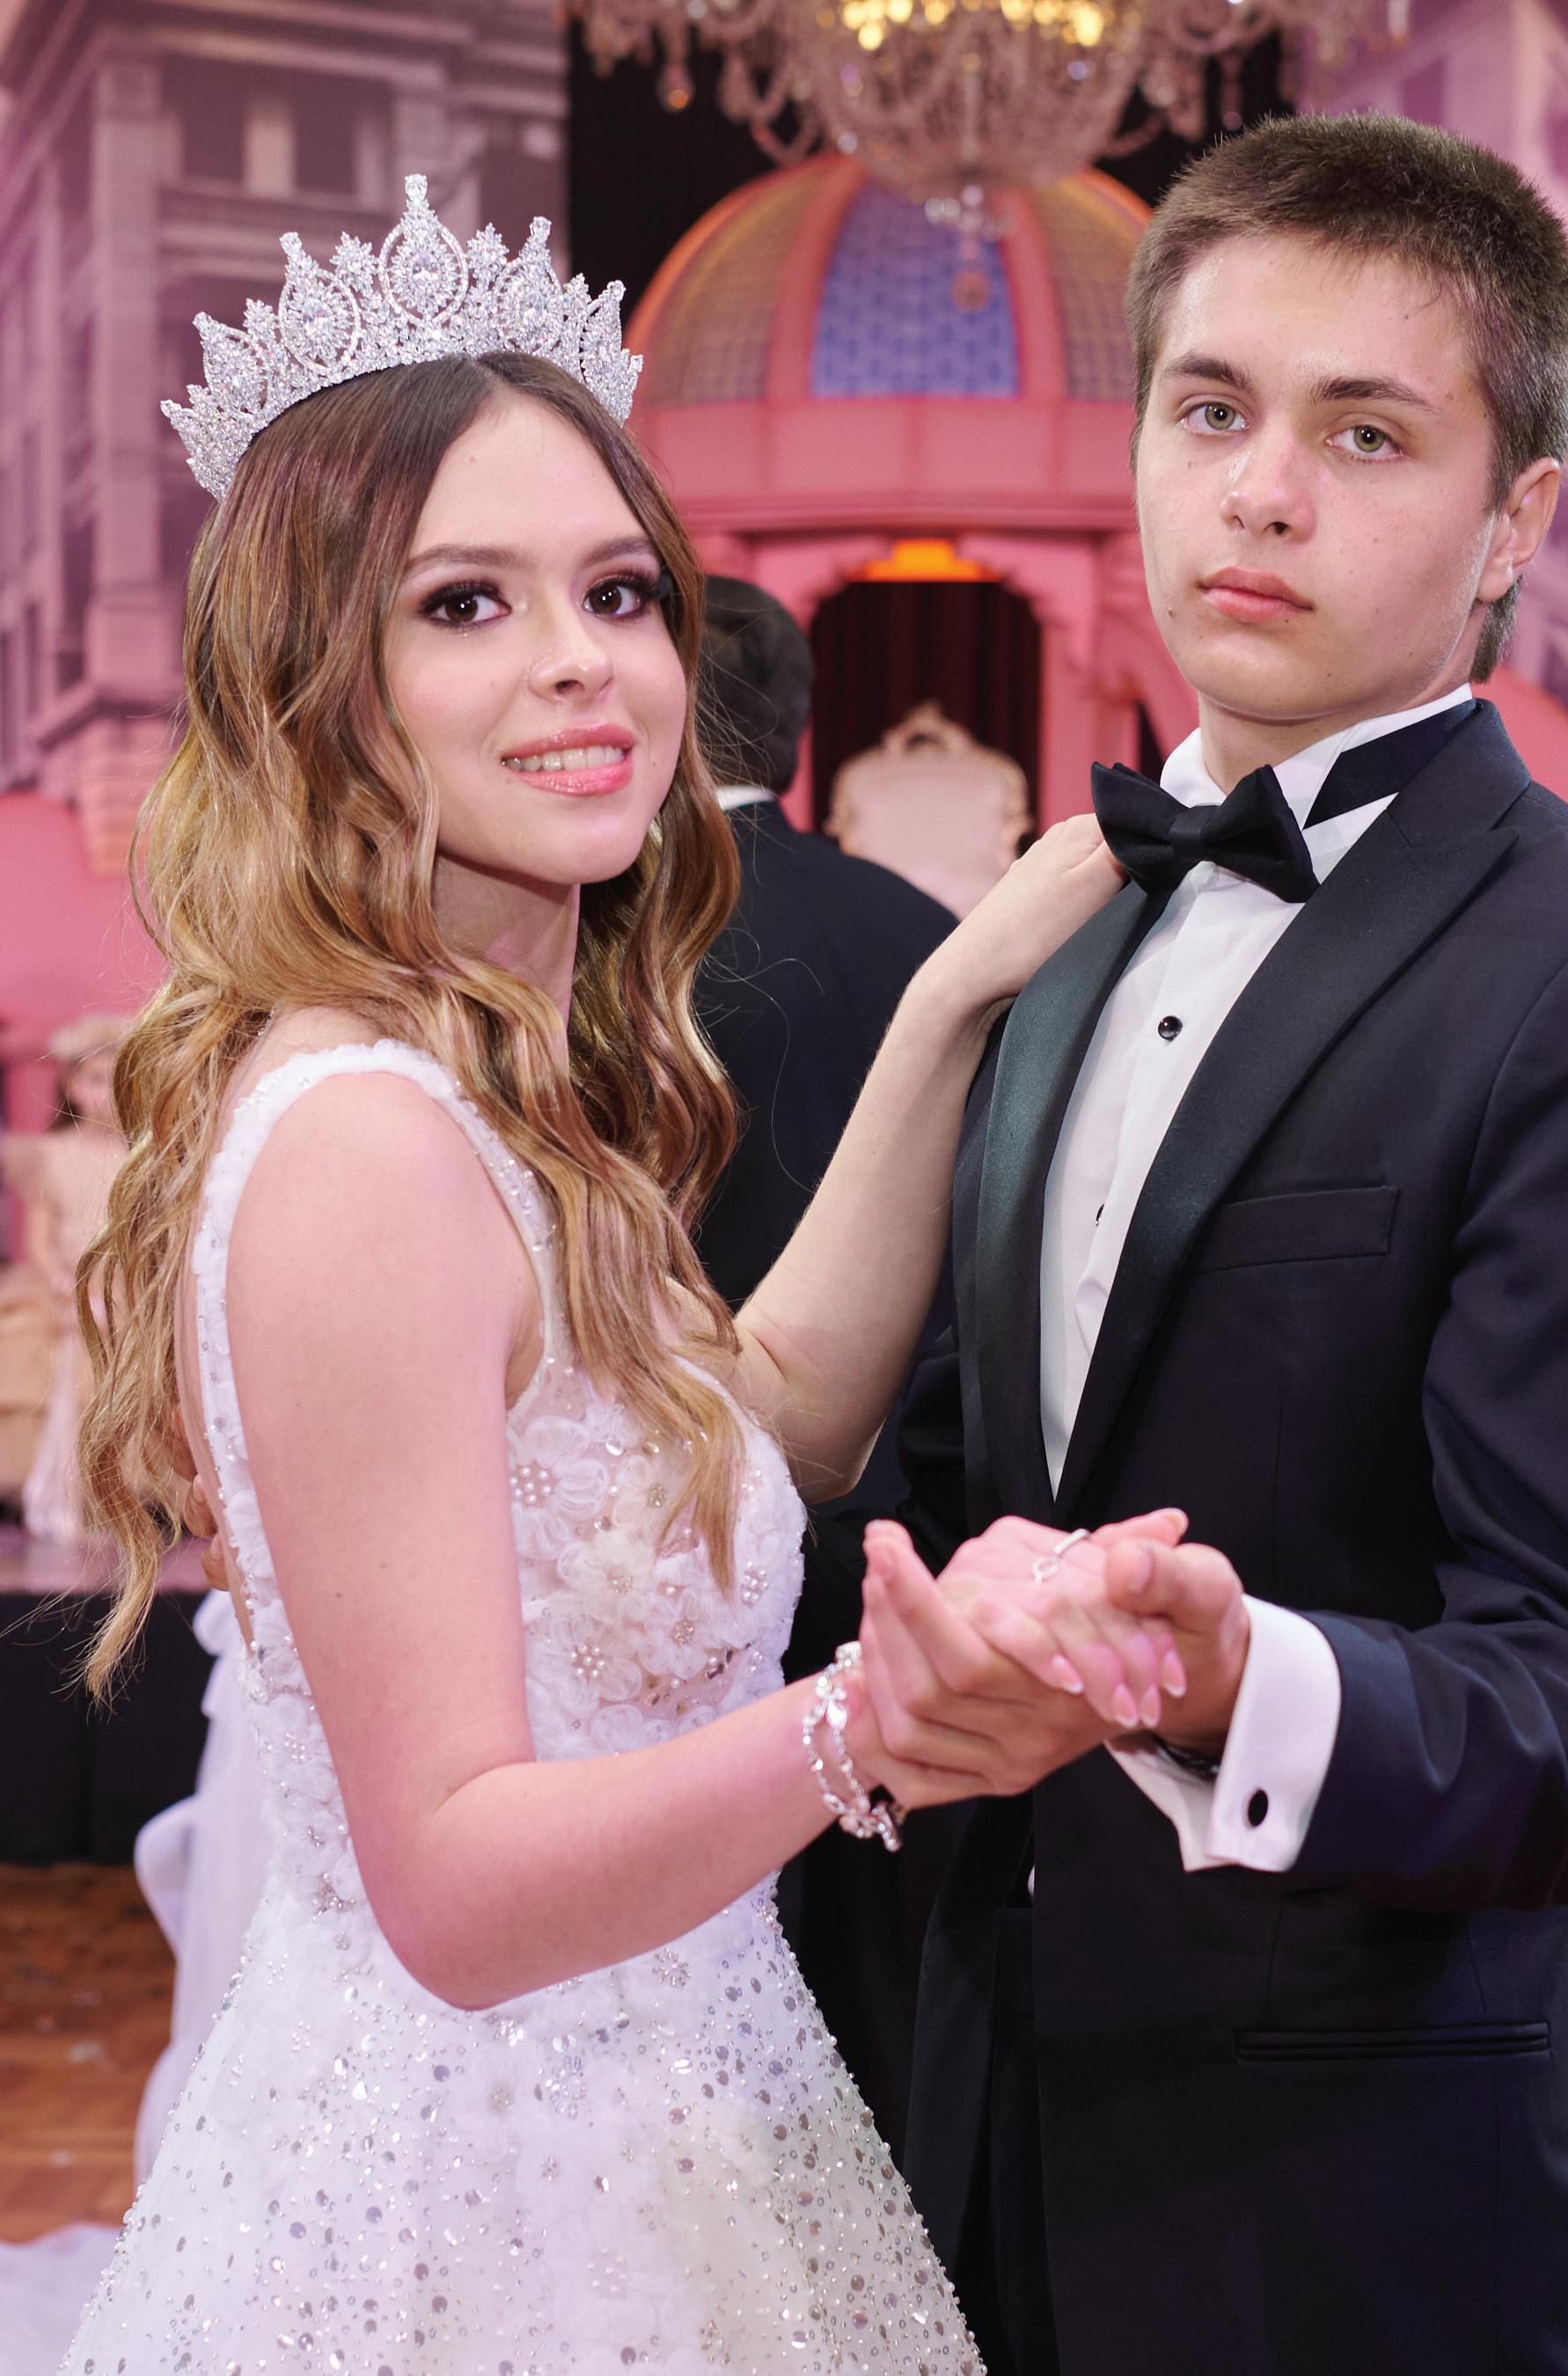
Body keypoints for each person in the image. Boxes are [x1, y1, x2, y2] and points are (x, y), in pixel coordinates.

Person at [59, 183, 1174, 2375]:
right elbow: (458, 1883)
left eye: (619, 590)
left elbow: (764, 1421)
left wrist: (950, 1003)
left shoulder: (503, 1087)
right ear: (312, 690)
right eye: (464, 602)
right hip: (486, 2204)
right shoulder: (369, 1141)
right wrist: (874, 1721)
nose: (582, 660)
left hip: (671, 2124)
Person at [801, 114, 1568, 2376]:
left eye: (1364, 434)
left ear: (1513, 521)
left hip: (1349, 2214)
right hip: (969, 2128)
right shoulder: (1056, 926)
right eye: (1209, 408)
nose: (1258, 492)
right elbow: (953, 1480)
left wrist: (1240, 1674)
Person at [691, 575, 964, 2156]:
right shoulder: (924, 935)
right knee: (873, 1980)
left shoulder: (600, 935)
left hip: (671, 1515)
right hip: (902, 1518)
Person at [0, 1014, 129, 1542]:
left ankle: (113, 1497)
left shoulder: (140, 1156)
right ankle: (57, 1489)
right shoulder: (49, 1155)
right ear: (72, 1085)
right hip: (63, 1285)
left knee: (120, 1378)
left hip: (124, 1286)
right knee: (53, 1373)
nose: (106, 1095)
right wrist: (61, 1279)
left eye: (116, 1081)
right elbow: (38, 1238)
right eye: (94, 1080)